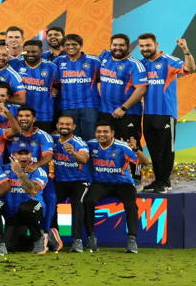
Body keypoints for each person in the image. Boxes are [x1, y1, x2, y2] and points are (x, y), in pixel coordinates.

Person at [138, 34, 195, 193]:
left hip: (166, 113)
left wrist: (186, 50)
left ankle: (165, 181)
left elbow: (190, 68)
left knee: (166, 150)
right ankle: (158, 180)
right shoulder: (141, 64)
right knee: (154, 150)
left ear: (156, 44)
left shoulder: (168, 60)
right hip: (148, 114)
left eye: (148, 45)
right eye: (142, 46)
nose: (145, 49)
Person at [84, 122, 149, 253]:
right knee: (88, 201)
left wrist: (136, 149)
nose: (102, 134)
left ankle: (132, 240)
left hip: (123, 184)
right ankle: (91, 238)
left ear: (112, 133)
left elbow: (145, 162)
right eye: (99, 132)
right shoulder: (90, 144)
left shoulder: (122, 147)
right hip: (101, 184)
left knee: (131, 205)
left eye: (105, 132)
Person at [98, 34, 148, 189]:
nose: (117, 48)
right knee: (107, 144)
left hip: (129, 113)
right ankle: (110, 176)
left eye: (121, 45)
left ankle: (137, 179)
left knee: (132, 145)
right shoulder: (105, 57)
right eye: (115, 45)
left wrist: (123, 108)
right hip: (105, 112)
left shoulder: (135, 65)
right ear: (110, 46)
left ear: (128, 47)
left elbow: (141, 89)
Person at [11, 105, 56, 244]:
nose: (23, 119)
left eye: (27, 116)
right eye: (21, 116)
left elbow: (48, 156)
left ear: (34, 119)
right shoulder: (13, 134)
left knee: (51, 199)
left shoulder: (43, 136)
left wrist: (36, 165)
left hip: (40, 176)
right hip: (17, 176)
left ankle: (47, 231)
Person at [51, 115, 91, 252]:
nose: (64, 126)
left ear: (73, 127)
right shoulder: (52, 140)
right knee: (49, 202)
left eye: (68, 124)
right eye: (61, 124)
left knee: (78, 204)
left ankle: (77, 240)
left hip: (79, 181)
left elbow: (84, 159)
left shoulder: (79, 142)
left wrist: (73, 152)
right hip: (60, 182)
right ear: (57, 126)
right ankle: (53, 238)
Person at [3, 141, 49, 254]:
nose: (24, 157)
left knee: (26, 208)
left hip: (34, 207)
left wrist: (20, 173)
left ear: (31, 154)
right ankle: (47, 241)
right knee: (9, 245)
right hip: (15, 212)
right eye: (20, 154)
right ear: (13, 155)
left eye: (26, 153)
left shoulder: (38, 171)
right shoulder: (4, 169)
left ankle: (39, 239)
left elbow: (32, 191)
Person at [54, 34, 101, 141]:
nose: (71, 47)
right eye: (67, 45)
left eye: (74, 44)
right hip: (67, 107)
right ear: (63, 47)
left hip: (90, 106)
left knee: (91, 138)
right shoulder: (57, 62)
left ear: (81, 46)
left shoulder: (94, 61)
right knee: (71, 139)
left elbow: (101, 78)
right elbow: (54, 81)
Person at [10, 40, 59, 132]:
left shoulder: (51, 67)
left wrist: (55, 91)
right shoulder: (14, 64)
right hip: (19, 115)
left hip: (44, 115)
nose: (30, 54)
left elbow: (58, 85)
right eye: (27, 52)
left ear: (41, 51)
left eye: (33, 52)